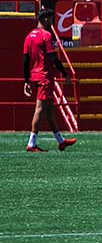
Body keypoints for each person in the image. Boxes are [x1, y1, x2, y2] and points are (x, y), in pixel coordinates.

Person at [23, 8, 76, 153]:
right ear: (45, 19)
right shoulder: (46, 36)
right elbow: (53, 58)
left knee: (49, 110)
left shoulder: (29, 36)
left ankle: (61, 141)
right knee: (40, 109)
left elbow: (26, 60)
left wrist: (26, 81)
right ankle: (31, 143)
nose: (52, 22)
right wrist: (65, 73)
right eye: (50, 19)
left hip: (35, 76)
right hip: (44, 76)